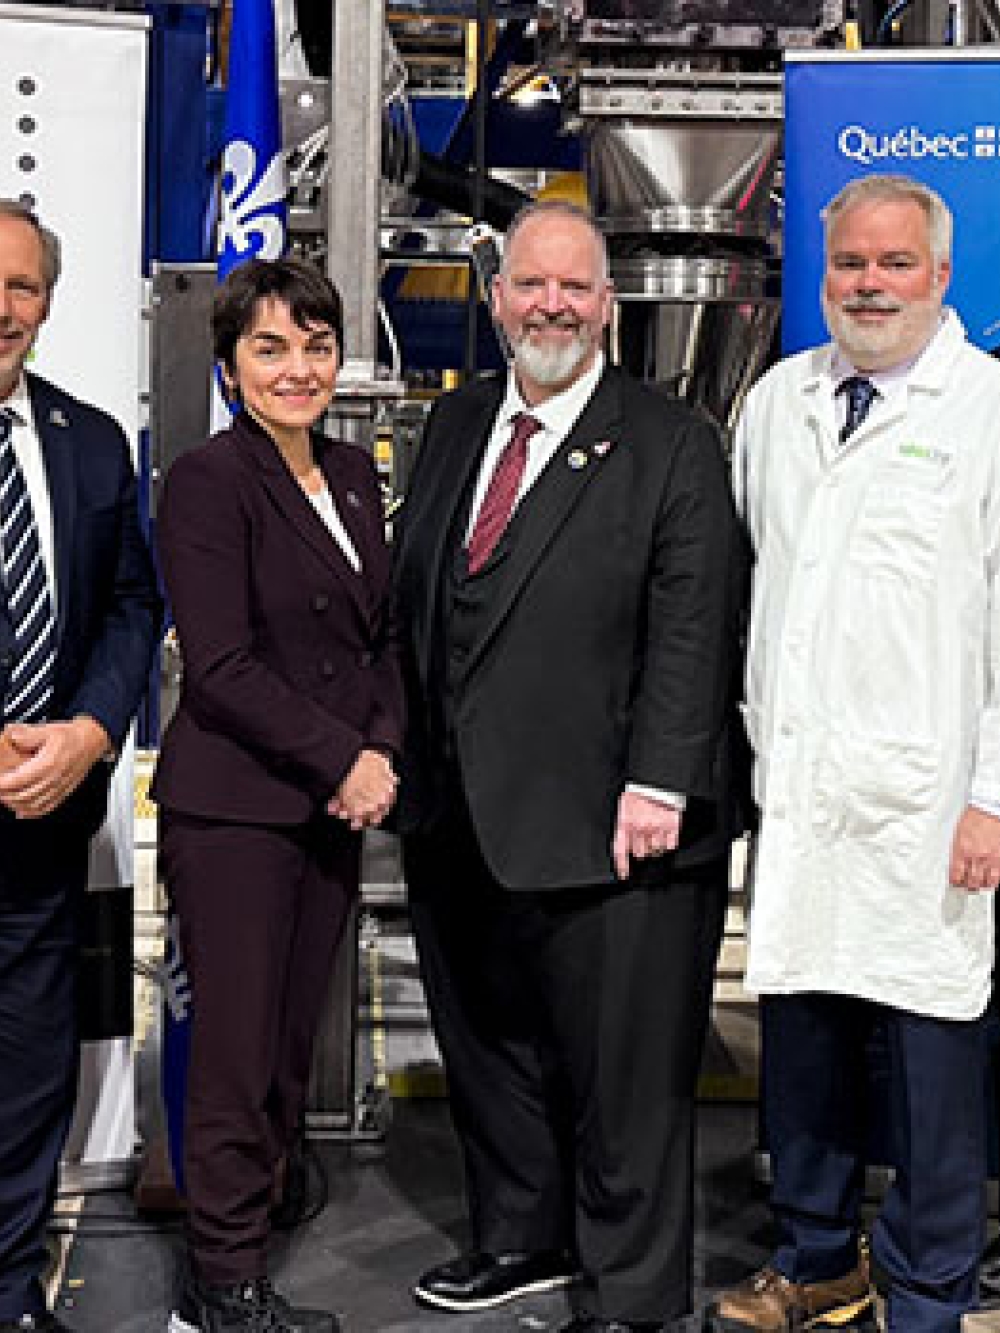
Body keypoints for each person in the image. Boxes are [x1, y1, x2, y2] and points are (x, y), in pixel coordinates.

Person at [392, 200, 745, 1333]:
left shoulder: (670, 439)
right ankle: (521, 1236)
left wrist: (661, 782)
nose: (552, 305)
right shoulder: (454, 428)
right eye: (532, 285)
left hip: (614, 818)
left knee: (625, 1079)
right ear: (496, 298)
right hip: (460, 810)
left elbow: (695, 623)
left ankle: (630, 1292)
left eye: (576, 289)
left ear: (608, 306)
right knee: (490, 1048)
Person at [710, 173, 1000, 1333]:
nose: (867, 285)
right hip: (802, 796)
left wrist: (991, 794)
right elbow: (744, 585)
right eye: (847, 265)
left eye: (891, 265)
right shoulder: (779, 401)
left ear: (940, 275)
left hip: (933, 804)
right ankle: (817, 1253)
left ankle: (928, 1285)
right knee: (805, 1042)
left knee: (934, 1061)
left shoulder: (983, 411)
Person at [151, 258, 404, 1333]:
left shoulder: (350, 471)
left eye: (313, 345)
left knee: (292, 1040)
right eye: (270, 347)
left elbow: (379, 637)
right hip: (238, 810)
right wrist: (343, 758)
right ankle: (225, 1281)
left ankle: (251, 1224)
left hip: (328, 808)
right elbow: (221, 665)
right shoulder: (209, 482)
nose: (297, 368)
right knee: (237, 1051)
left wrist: (380, 750)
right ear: (228, 366)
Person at [0, 199, 162, 1333]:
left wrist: (94, 731)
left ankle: (9, 1286)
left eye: (19, 285)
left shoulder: (91, 440)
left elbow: (129, 603)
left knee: (26, 1074)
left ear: (48, 303)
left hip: (43, 814)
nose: (0, 307)